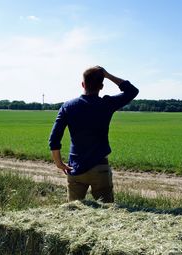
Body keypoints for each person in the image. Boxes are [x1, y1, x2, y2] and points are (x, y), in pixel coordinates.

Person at [48, 66, 139, 203]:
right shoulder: (107, 104)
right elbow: (132, 91)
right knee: (107, 212)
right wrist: (108, 75)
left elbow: (54, 138)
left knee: (73, 212)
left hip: (75, 168)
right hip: (100, 168)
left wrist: (59, 162)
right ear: (101, 86)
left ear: (83, 84)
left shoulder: (68, 106)